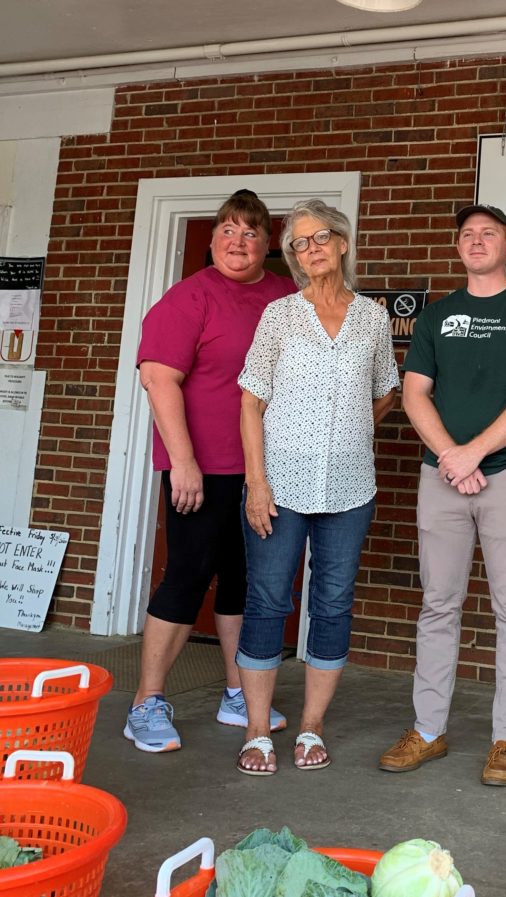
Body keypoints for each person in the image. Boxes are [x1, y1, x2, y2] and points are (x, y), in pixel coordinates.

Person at [378, 203, 506, 787]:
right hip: (442, 481)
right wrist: (452, 460)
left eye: (488, 234)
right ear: (457, 248)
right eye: (467, 235)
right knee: (438, 605)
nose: (476, 241)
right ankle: (428, 731)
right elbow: (413, 395)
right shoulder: (437, 316)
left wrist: (473, 453)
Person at [125, 189, 295, 753]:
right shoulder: (188, 298)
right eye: (227, 229)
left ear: (268, 244)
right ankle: (146, 701)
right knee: (189, 575)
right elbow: (158, 379)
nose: (237, 242)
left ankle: (237, 694)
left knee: (244, 581)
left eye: (250, 232)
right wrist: (184, 464)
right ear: (213, 239)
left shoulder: (285, 295)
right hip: (202, 467)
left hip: (263, 469)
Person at [234, 199, 399, 776]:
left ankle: (311, 728)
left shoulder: (374, 318)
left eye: (321, 237)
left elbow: (386, 390)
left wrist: (349, 430)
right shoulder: (279, 316)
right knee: (268, 601)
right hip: (277, 484)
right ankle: (257, 732)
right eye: (300, 244)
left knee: (331, 605)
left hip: (351, 486)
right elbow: (251, 401)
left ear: (343, 242)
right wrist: (256, 483)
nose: (312, 250)